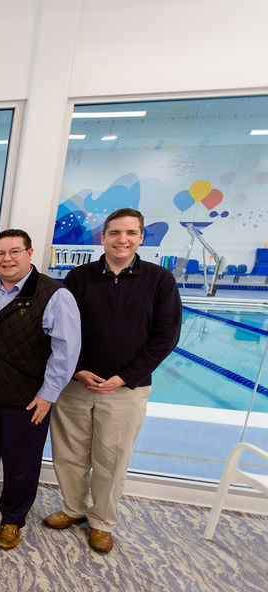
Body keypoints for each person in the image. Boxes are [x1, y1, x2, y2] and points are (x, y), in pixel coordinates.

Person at [45, 208, 182, 553]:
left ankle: (102, 521)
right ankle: (74, 508)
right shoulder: (79, 278)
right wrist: (75, 369)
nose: (122, 240)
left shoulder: (159, 281)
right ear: (103, 237)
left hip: (125, 390)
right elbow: (62, 331)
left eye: (130, 233)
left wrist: (125, 377)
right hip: (77, 385)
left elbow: (166, 337)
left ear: (140, 238)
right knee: (69, 453)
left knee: (112, 458)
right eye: (115, 233)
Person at [0, 229, 81, 550]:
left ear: (30, 253)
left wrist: (48, 395)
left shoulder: (54, 295)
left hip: (25, 398)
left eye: (14, 252)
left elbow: (66, 351)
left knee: (21, 463)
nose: (7, 259)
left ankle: (12, 518)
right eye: (0, 253)